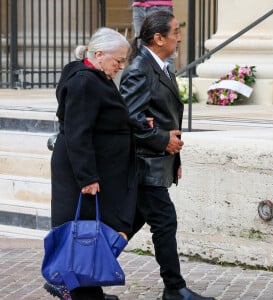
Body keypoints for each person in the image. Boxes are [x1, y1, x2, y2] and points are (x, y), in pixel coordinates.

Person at [120, 11, 216, 300]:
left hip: (157, 161)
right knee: (165, 221)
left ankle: (81, 280)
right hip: (143, 164)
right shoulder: (140, 68)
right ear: (158, 37)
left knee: (126, 225)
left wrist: (174, 157)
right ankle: (174, 288)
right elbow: (129, 120)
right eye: (175, 32)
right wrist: (163, 142)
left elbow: (162, 118)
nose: (179, 36)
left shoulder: (161, 66)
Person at [43, 27, 140, 300]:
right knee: (83, 232)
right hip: (81, 171)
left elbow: (106, 116)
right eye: (118, 60)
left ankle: (82, 286)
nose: (121, 66)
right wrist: (87, 177)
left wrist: (137, 124)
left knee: (91, 231)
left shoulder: (96, 77)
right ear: (99, 55)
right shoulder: (85, 82)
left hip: (94, 168)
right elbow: (77, 131)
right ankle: (71, 284)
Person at [132, 0, 175, 72]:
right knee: (141, 49)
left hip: (160, 6)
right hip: (138, 6)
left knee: (164, 48)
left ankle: (167, 82)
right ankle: (143, 81)